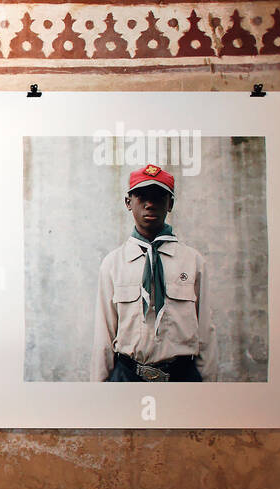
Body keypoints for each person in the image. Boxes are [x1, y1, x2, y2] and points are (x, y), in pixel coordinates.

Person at [90, 163, 218, 382]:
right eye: (141, 196)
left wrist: (211, 391)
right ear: (128, 203)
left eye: (159, 196)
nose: (150, 204)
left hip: (181, 378)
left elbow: (206, 332)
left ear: (170, 204)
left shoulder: (193, 261)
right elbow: (104, 334)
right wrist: (98, 391)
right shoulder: (113, 264)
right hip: (127, 377)